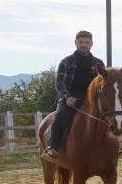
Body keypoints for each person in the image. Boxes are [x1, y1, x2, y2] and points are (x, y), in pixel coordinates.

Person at [41, 30, 106, 162]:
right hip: (69, 99)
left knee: (108, 116)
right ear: (76, 43)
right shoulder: (66, 62)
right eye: (81, 42)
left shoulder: (98, 63)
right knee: (60, 116)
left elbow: (103, 84)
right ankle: (52, 148)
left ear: (91, 44)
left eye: (87, 43)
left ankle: (114, 146)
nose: (84, 45)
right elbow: (59, 84)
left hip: (90, 100)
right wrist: (67, 97)